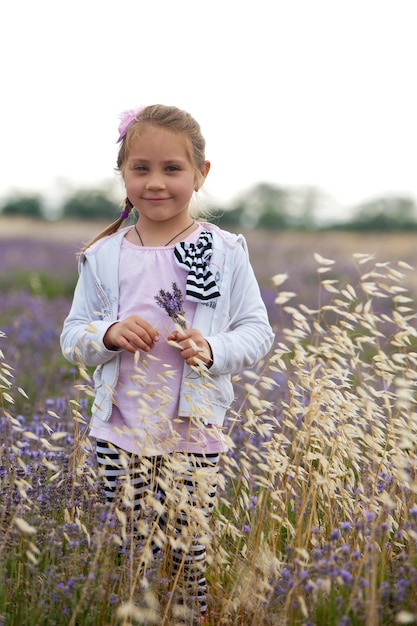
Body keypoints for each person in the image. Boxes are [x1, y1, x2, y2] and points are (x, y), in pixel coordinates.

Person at [60, 104, 274, 624]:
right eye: (141, 168)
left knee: (186, 563)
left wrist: (213, 349)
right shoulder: (104, 254)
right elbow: (72, 335)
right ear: (123, 174)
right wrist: (107, 334)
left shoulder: (224, 251)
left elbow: (257, 331)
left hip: (191, 434)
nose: (155, 183)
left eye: (172, 169)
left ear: (201, 174)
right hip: (120, 431)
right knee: (124, 560)